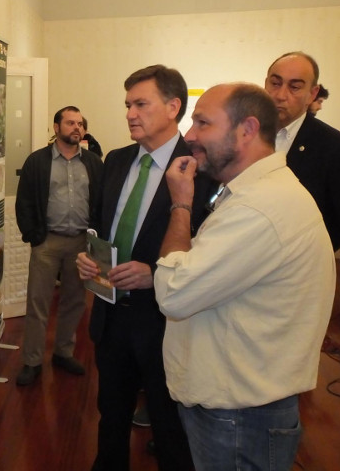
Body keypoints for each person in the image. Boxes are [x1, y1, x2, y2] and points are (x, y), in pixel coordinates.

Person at [155, 83, 335, 470]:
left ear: (247, 129)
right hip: (238, 405)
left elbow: (173, 293)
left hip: (239, 416)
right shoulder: (258, 193)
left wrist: (181, 204)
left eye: (203, 122)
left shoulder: (259, 207)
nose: (189, 136)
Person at [76, 65, 213, 471]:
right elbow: (103, 223)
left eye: (141, 104)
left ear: (173, 107)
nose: (130, 114)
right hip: (110, 313)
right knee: (111, 414)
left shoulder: (198, 170)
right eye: (127, 105)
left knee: (170, 427)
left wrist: (154, 274)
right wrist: (91, 256)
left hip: (165, 322)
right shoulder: (117, 160)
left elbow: (207, 248)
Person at [15, 105, 103, 386]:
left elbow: (101, 202)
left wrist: (95, 239)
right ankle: (32, 360)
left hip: (81, 242)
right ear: (56, 128)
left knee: (74, 301)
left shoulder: (92, 163)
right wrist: (33, 236)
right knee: (38, 302)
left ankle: (64, 353)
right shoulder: (37, 162)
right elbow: (24, 202)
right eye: (70, 123)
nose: (76, 128)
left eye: (80, 123)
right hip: (48, 242)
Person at [265, 52, 340, 251]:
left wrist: (306, 256)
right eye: (275, 83)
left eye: (294, 87)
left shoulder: (337, 148)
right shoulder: (243, 133)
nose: (280, 95)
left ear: (312, 93)